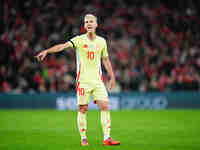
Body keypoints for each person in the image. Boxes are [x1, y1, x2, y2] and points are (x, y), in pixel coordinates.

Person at [35, 14, 120, 146]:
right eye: (86, 22)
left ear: (96, 24)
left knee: (105, 106)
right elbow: (63, 46)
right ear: (84, 26)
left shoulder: (102, 41)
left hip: (98, 81)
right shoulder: (79, 40)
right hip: (83, 81)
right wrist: (47, 51)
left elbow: (105, 59)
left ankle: (107, 138)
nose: (89, 24)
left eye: (91, 21)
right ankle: (83, 138)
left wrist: (112, 76)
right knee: (83, 109)